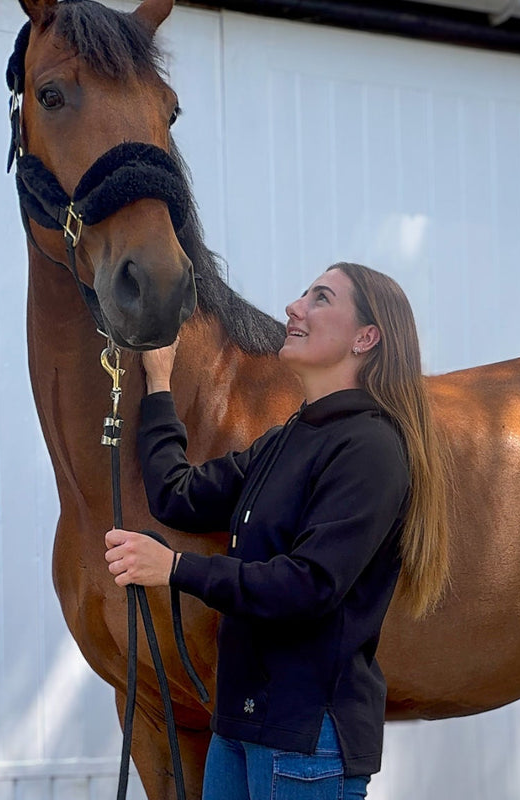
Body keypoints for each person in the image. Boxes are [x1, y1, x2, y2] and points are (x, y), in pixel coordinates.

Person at [105, 263, 450, 800]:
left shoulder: (371, 450)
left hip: (306, 740)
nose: (294, 307)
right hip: (240, 726)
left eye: (320, 298)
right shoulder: (288, 438)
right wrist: (158, 385)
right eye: (303, 295)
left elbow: (309, 586)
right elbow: (178, 494)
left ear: (366, 337)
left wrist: (174, 569)